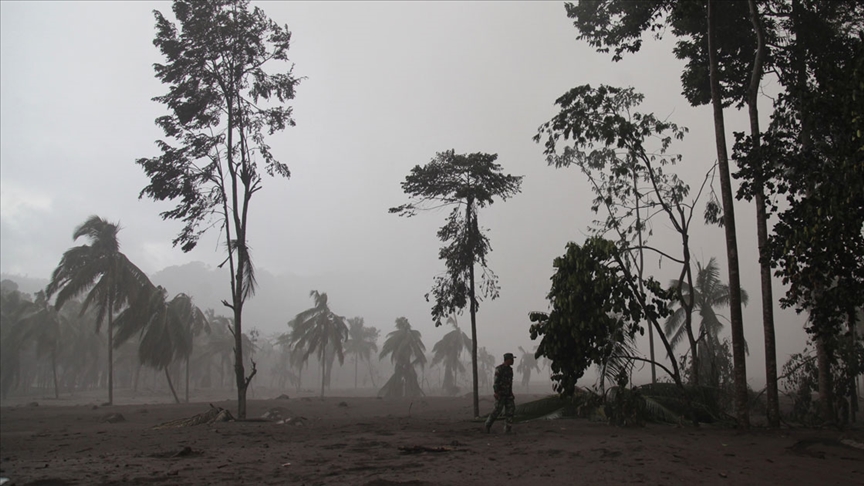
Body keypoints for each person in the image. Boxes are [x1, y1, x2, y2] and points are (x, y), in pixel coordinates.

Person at [485, 352, 516, 433]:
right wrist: (496, 392)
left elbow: (510, 382)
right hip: (500, 393)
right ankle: (487, 425)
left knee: (511, 410)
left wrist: (511, 392)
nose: (513, 361)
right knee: (497, 411)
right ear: (507, 360)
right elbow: (496, 382)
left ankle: (507, 429)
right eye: (512, 359)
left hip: (508, 394)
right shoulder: (499, 369)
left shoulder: (510, 370)